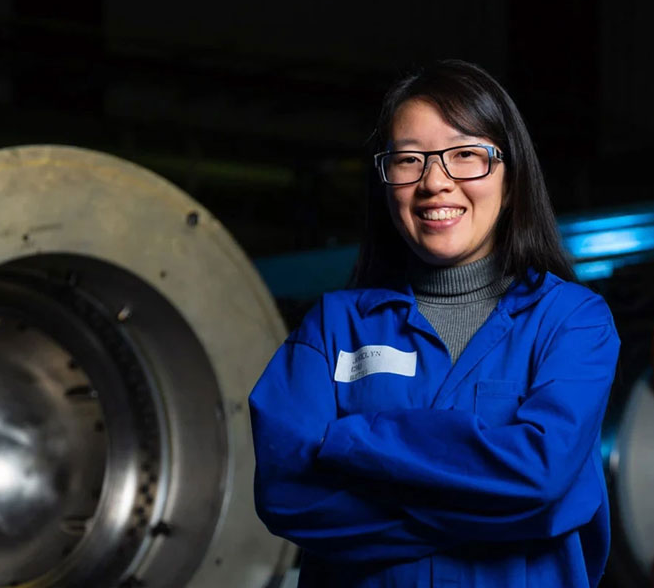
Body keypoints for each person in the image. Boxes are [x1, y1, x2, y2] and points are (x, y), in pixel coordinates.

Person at [249, 60, 620, 588]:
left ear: (510, 176)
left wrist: (351, 442)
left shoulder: (571, 323)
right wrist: (503, 515)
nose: (435, 182)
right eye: (409, 160)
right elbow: (287, 492)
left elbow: (541, 477)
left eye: (466, 154)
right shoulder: (332, 329)